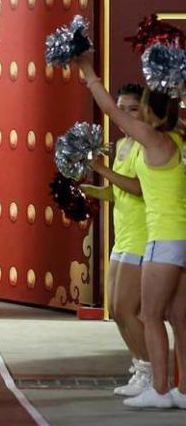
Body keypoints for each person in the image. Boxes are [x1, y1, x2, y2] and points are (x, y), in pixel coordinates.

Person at [77, 52, 186, 409]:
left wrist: (88, 72)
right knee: (180, 319)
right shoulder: (179, 138)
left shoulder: (156, 142)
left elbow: (111, 111)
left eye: (138, 110)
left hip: (163, 238)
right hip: (180, 238)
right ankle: (182, 392)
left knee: (150, 316)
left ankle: (158, 390)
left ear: (149, 113)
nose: (130, 116)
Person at [80, 83, 150, 397]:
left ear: (145, 111)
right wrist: (88, 190)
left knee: (126, 309)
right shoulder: (121, 145)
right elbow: (117, 193)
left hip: (143, 236)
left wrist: (101, 170)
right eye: (119, 108)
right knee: (117, 310)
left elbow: (138, 188)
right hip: (122, 236)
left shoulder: (149, 146)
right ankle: (140, 366)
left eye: (131, 109)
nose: (124, 114)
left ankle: (150, 370)